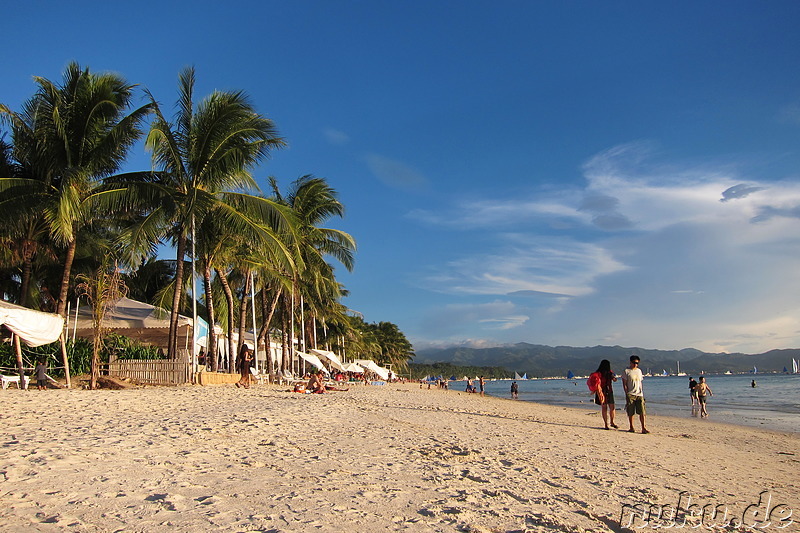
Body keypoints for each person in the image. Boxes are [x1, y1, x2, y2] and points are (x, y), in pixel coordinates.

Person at [622, 355, 649, 434]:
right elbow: (624, 384)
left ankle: (643, 427)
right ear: (630, 362)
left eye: (637, 363)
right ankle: (631, 427)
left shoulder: (639, 371)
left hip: (639, 394)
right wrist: (626, 393)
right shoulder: (626, 371)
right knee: (631, 412)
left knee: (642, 412)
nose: (635, 364)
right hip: (631, 394)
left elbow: (640, 382)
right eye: (634, 363)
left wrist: (641, 392)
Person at [591, 359, 618, 430]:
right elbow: (614, 379)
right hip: (607, 391)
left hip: (601, 391)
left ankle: (607, 424)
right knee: (611, 407)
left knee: (605, 408)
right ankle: (611, 422)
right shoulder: (608, 373)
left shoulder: (598, 373)